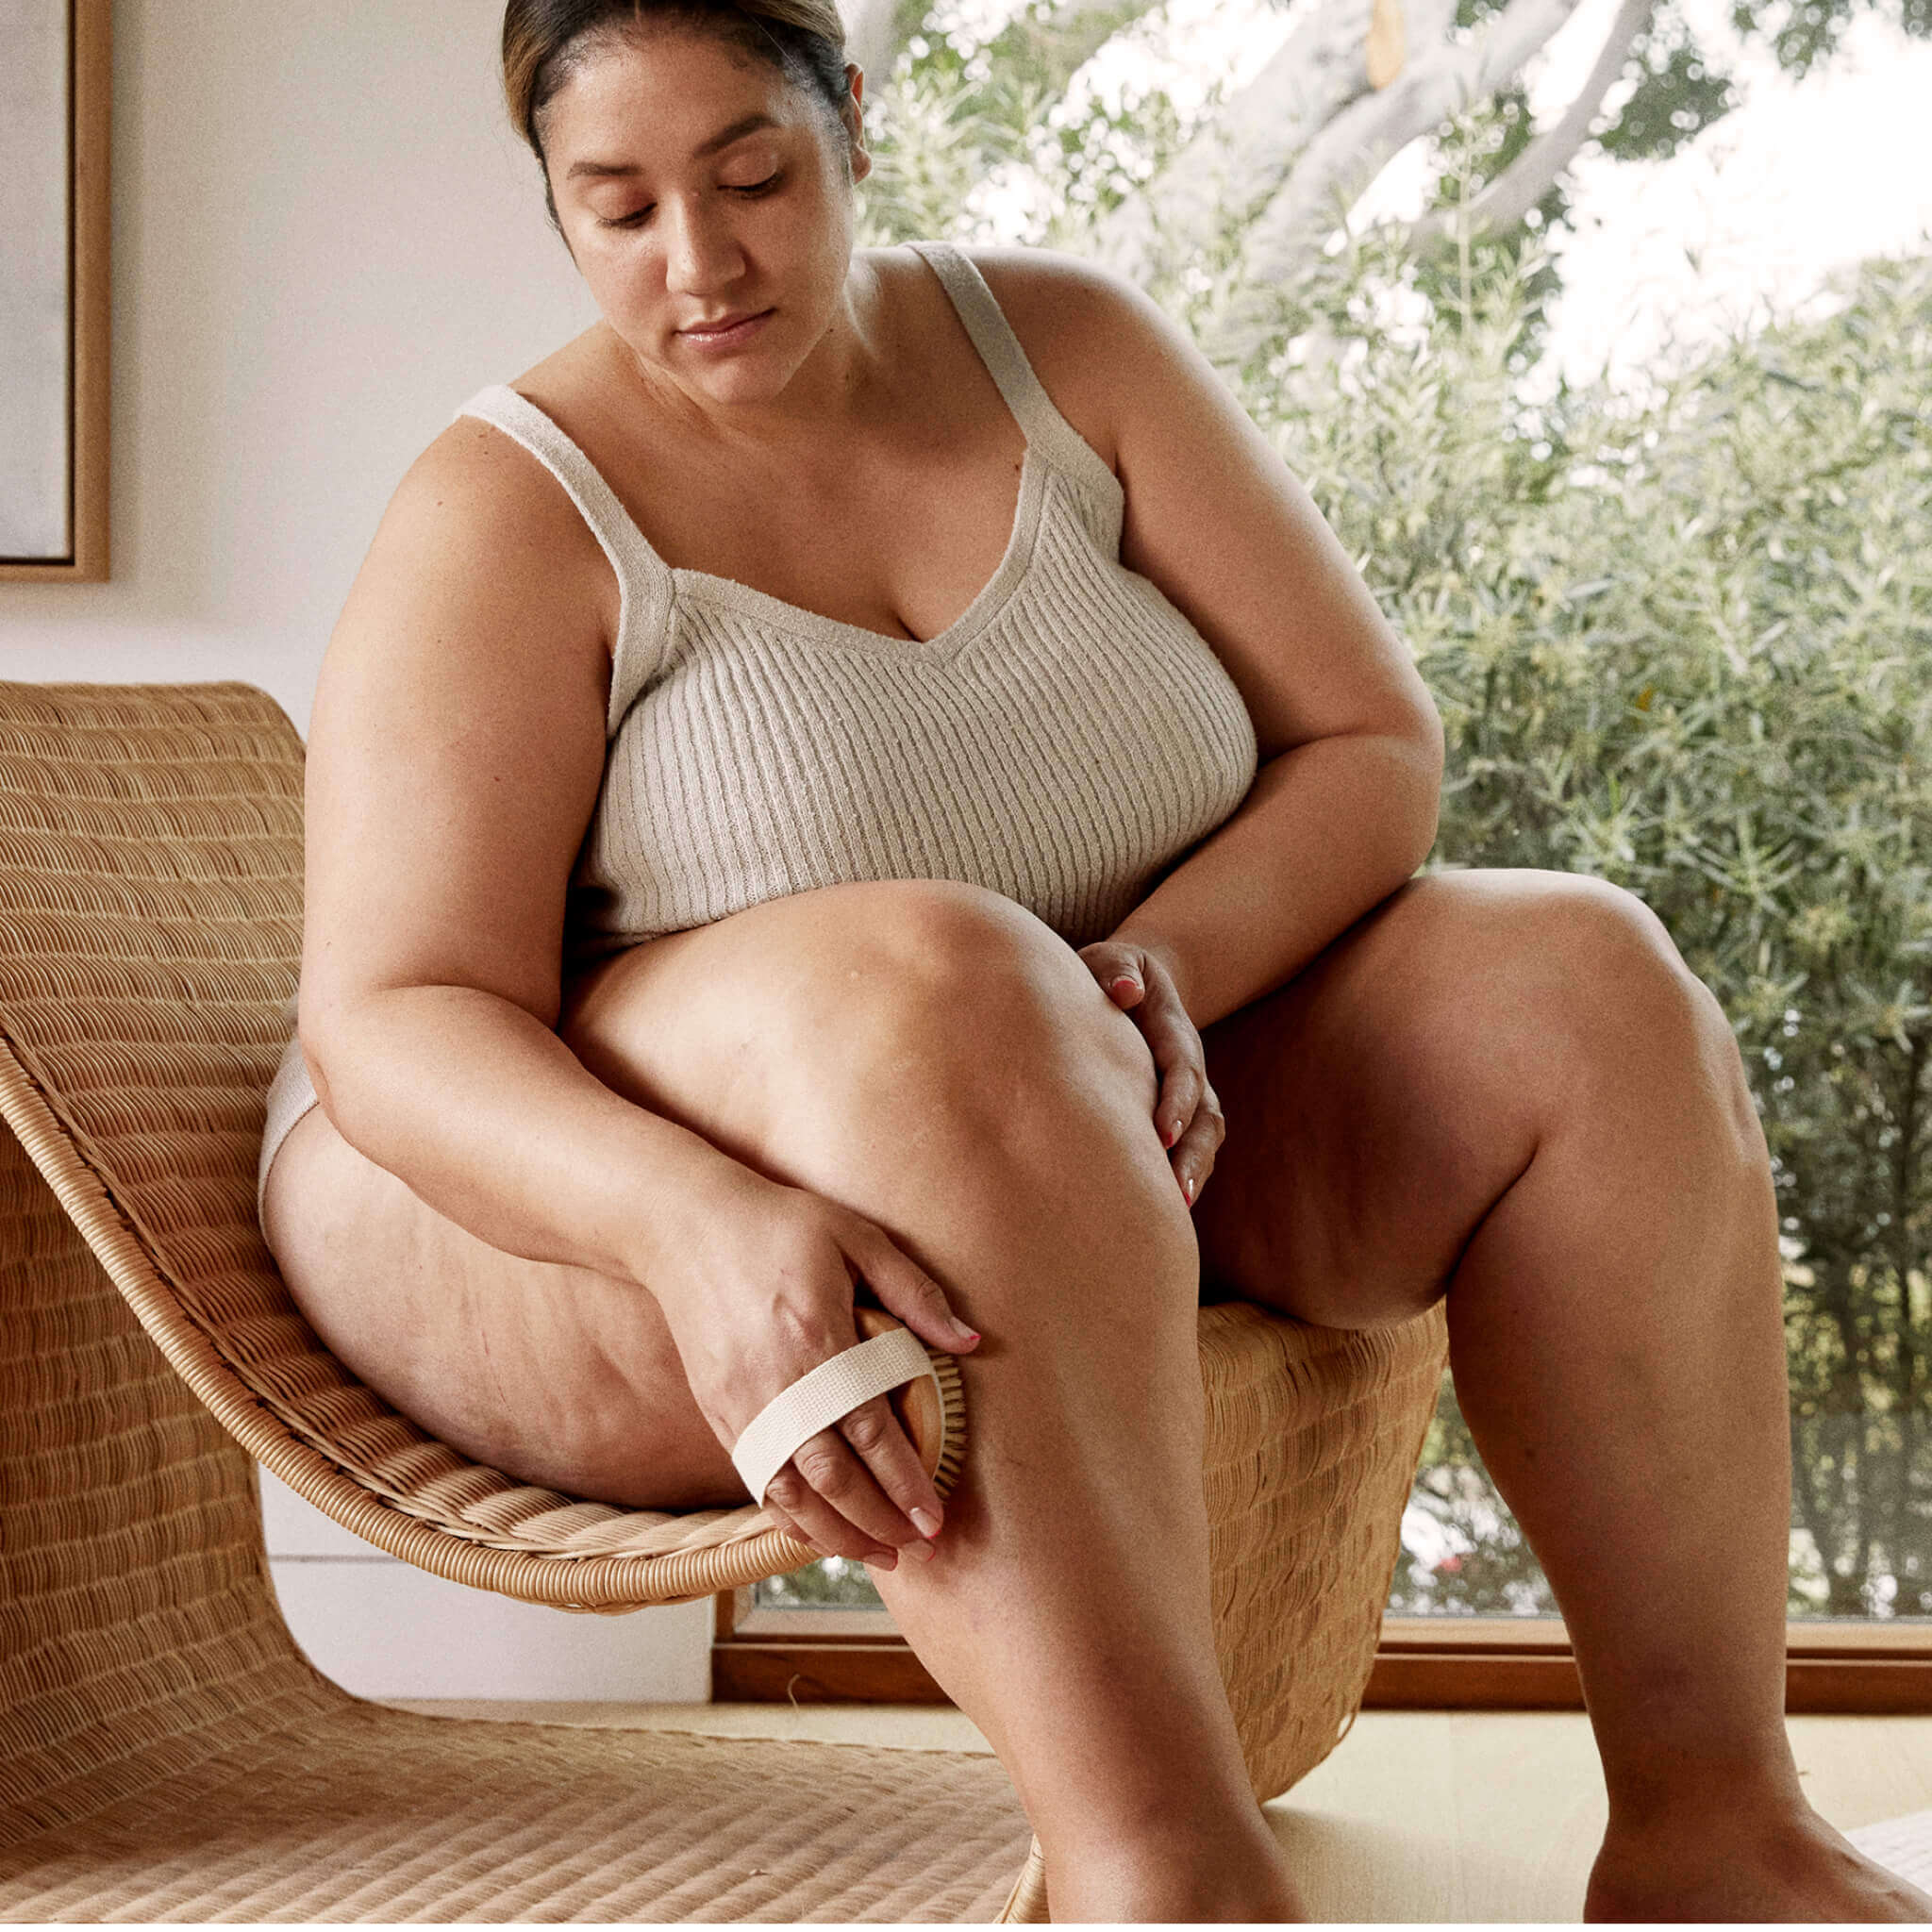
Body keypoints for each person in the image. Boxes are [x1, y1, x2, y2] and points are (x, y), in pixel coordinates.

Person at [256, 0, 1931, 1919]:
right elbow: (396, 1018)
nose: (697, 263)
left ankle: (1716, 1836)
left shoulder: (1063, 349)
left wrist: (1145, 975)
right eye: (615, 206)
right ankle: (1169, 1882)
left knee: (1583, 978)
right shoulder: (505, 509)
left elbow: (1365, 747)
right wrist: (687, 1217)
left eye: (750, 177)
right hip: (558, 1218)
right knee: (951, 974)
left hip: (1080, 1114)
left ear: (853, 131)